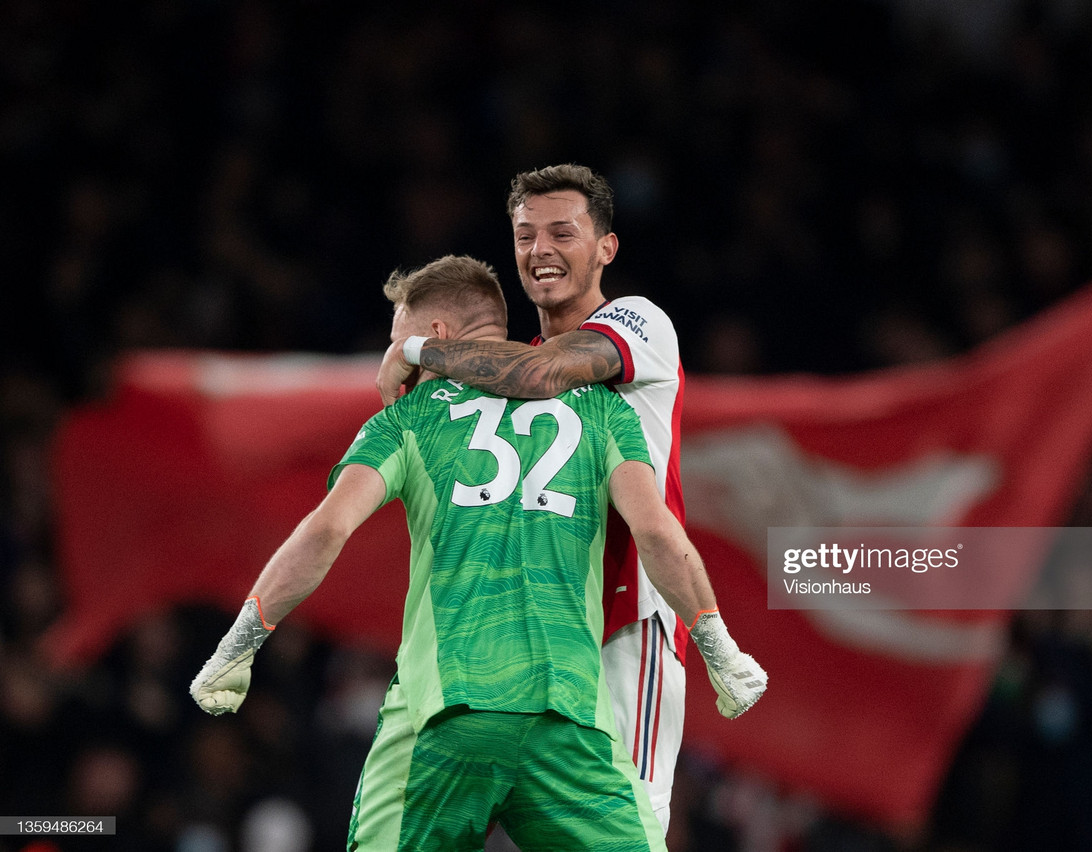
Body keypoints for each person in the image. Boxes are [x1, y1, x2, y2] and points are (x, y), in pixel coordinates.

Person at [189, 255, 766, 851]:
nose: (396, 366)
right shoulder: (603, 410)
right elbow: (658, 534)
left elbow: (324, 531)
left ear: (434, 339)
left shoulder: (407, 421)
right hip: (569, 728)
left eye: (400, 343)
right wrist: (719, 648)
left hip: (442, 719)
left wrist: (239, 645)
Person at [375, 164, 692, 831]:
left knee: (629, 829)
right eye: (525, 235)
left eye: (561, 232)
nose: (540, 249)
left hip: (630, 624)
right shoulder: (507, 371)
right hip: (550, 637)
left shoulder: (637, 324)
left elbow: (545, 373)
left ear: (605, 247)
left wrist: (415, 347)